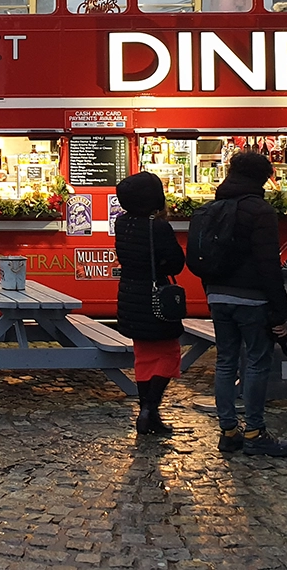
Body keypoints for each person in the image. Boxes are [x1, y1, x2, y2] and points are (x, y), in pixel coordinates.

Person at [207, 150, 287, 456]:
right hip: (251, 298)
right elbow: (268, 264)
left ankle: (229, 431)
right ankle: (256, 432)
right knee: (257, 361)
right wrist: (280, 311)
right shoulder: (260, 211)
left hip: (217, 295)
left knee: (225, 360)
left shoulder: (214, 207)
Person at [114, 172, 186, 437]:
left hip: (130, 295)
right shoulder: (158, 226)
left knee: (143, 356)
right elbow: (176, 262)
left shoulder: (123, 223)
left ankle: (148, 412)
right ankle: (149, 411)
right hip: (156, 296)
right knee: (169, 354)